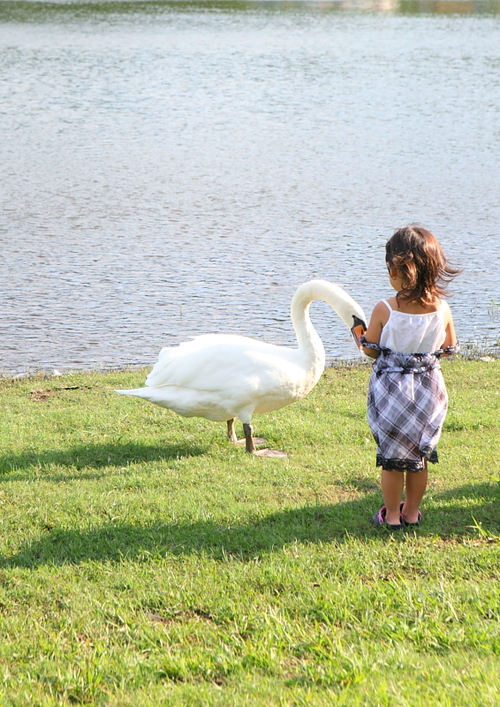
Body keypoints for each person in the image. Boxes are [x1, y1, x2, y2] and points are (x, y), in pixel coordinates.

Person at [361, 225, 460, 530]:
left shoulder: (385, 309)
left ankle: (391, 516)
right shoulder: (442, 308)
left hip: (391, 392)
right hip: (428, 391)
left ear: (396, 268)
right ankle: (412, 513)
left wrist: (358, 333)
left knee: (392, 458)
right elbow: (448, 348)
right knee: (419, 456)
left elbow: (371, 349)